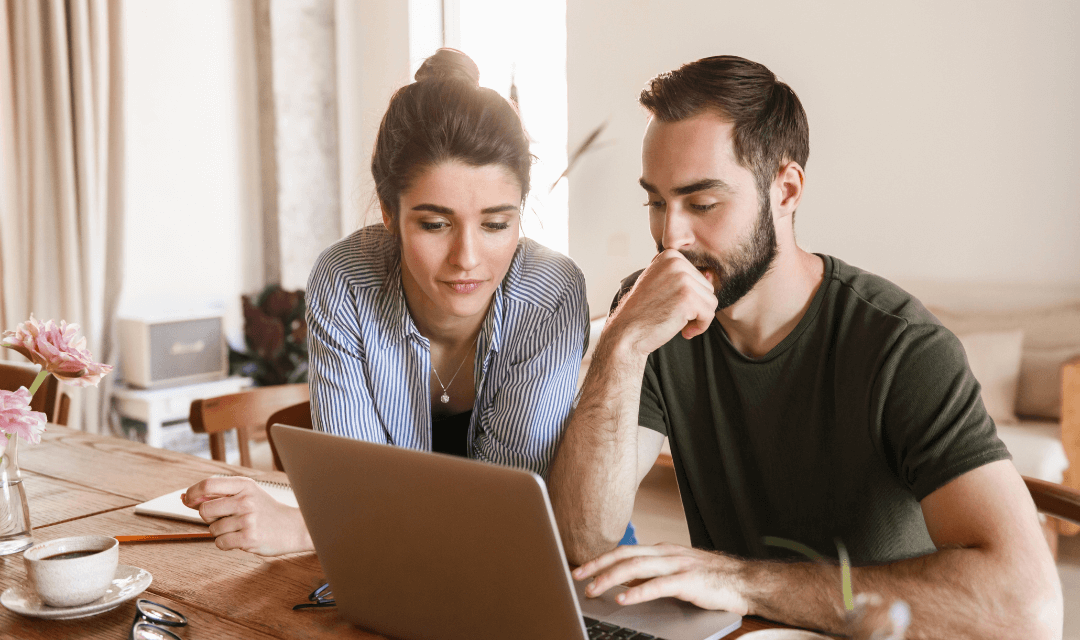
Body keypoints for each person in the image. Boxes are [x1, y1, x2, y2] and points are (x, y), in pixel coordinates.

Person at [549, 55, 1062, 639]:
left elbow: (1027, 609)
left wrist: (742, 581)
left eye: (702, 203)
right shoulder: (652, 317)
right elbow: (582, 538)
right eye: (656, 202)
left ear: (786, 189)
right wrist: (621, 341)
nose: (671, 238)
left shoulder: (901, 347)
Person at [183, 48, 589, 557]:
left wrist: (310, 530)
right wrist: (345, 519)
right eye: (434, 224)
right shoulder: (346, 280)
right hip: (397, 566)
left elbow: (504, 515)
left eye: (495, 224)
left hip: (540, 559)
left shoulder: (550, 294)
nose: (466, 258)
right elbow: (357, 488)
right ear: (388, 212)